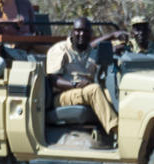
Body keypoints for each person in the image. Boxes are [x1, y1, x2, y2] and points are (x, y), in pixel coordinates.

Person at [46, 17, 117, 145]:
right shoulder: (60, 49)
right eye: (78, 31)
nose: (81, 34)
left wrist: (113, 37)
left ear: (90, 34)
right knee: (94, 90)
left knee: (111, 94)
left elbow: (97, 45)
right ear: (72, 32)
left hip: (85, 92)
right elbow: (53, 79)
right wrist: (74, 85)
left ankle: (128, 129)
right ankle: (116, 130)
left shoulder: (89, 51)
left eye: (85, 31)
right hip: (62, 95)